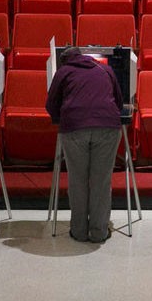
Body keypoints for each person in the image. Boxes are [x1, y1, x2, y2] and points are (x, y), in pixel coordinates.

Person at [46, 46, 124, 243]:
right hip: (107, 127)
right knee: (101, 180)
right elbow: (119, 102)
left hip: (74, 127)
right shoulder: (105, 69)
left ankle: (79, 231)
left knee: (78, 180)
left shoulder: (63, 71)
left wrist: (62, 118)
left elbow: (51, 104)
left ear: (64, 60)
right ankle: (99, 232)